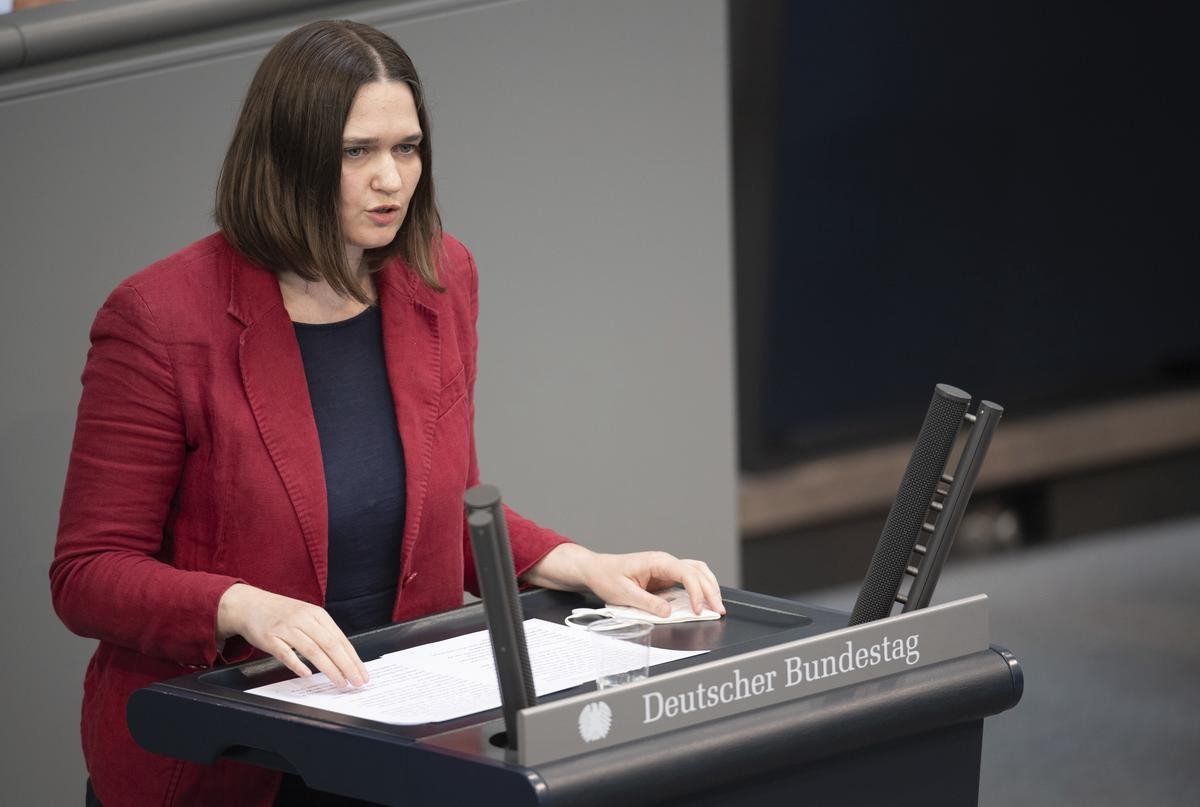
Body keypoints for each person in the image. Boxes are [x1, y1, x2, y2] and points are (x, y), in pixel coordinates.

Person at [49, 19, 724, 807]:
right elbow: (87, 574)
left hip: (396, 746)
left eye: (407, 148)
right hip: (227, 766)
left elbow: (439, 517)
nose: (391, 180)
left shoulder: (439, 278)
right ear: (290, 157)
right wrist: (241, 604)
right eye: (357, 152)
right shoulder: (160, 318)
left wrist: (583, 565)